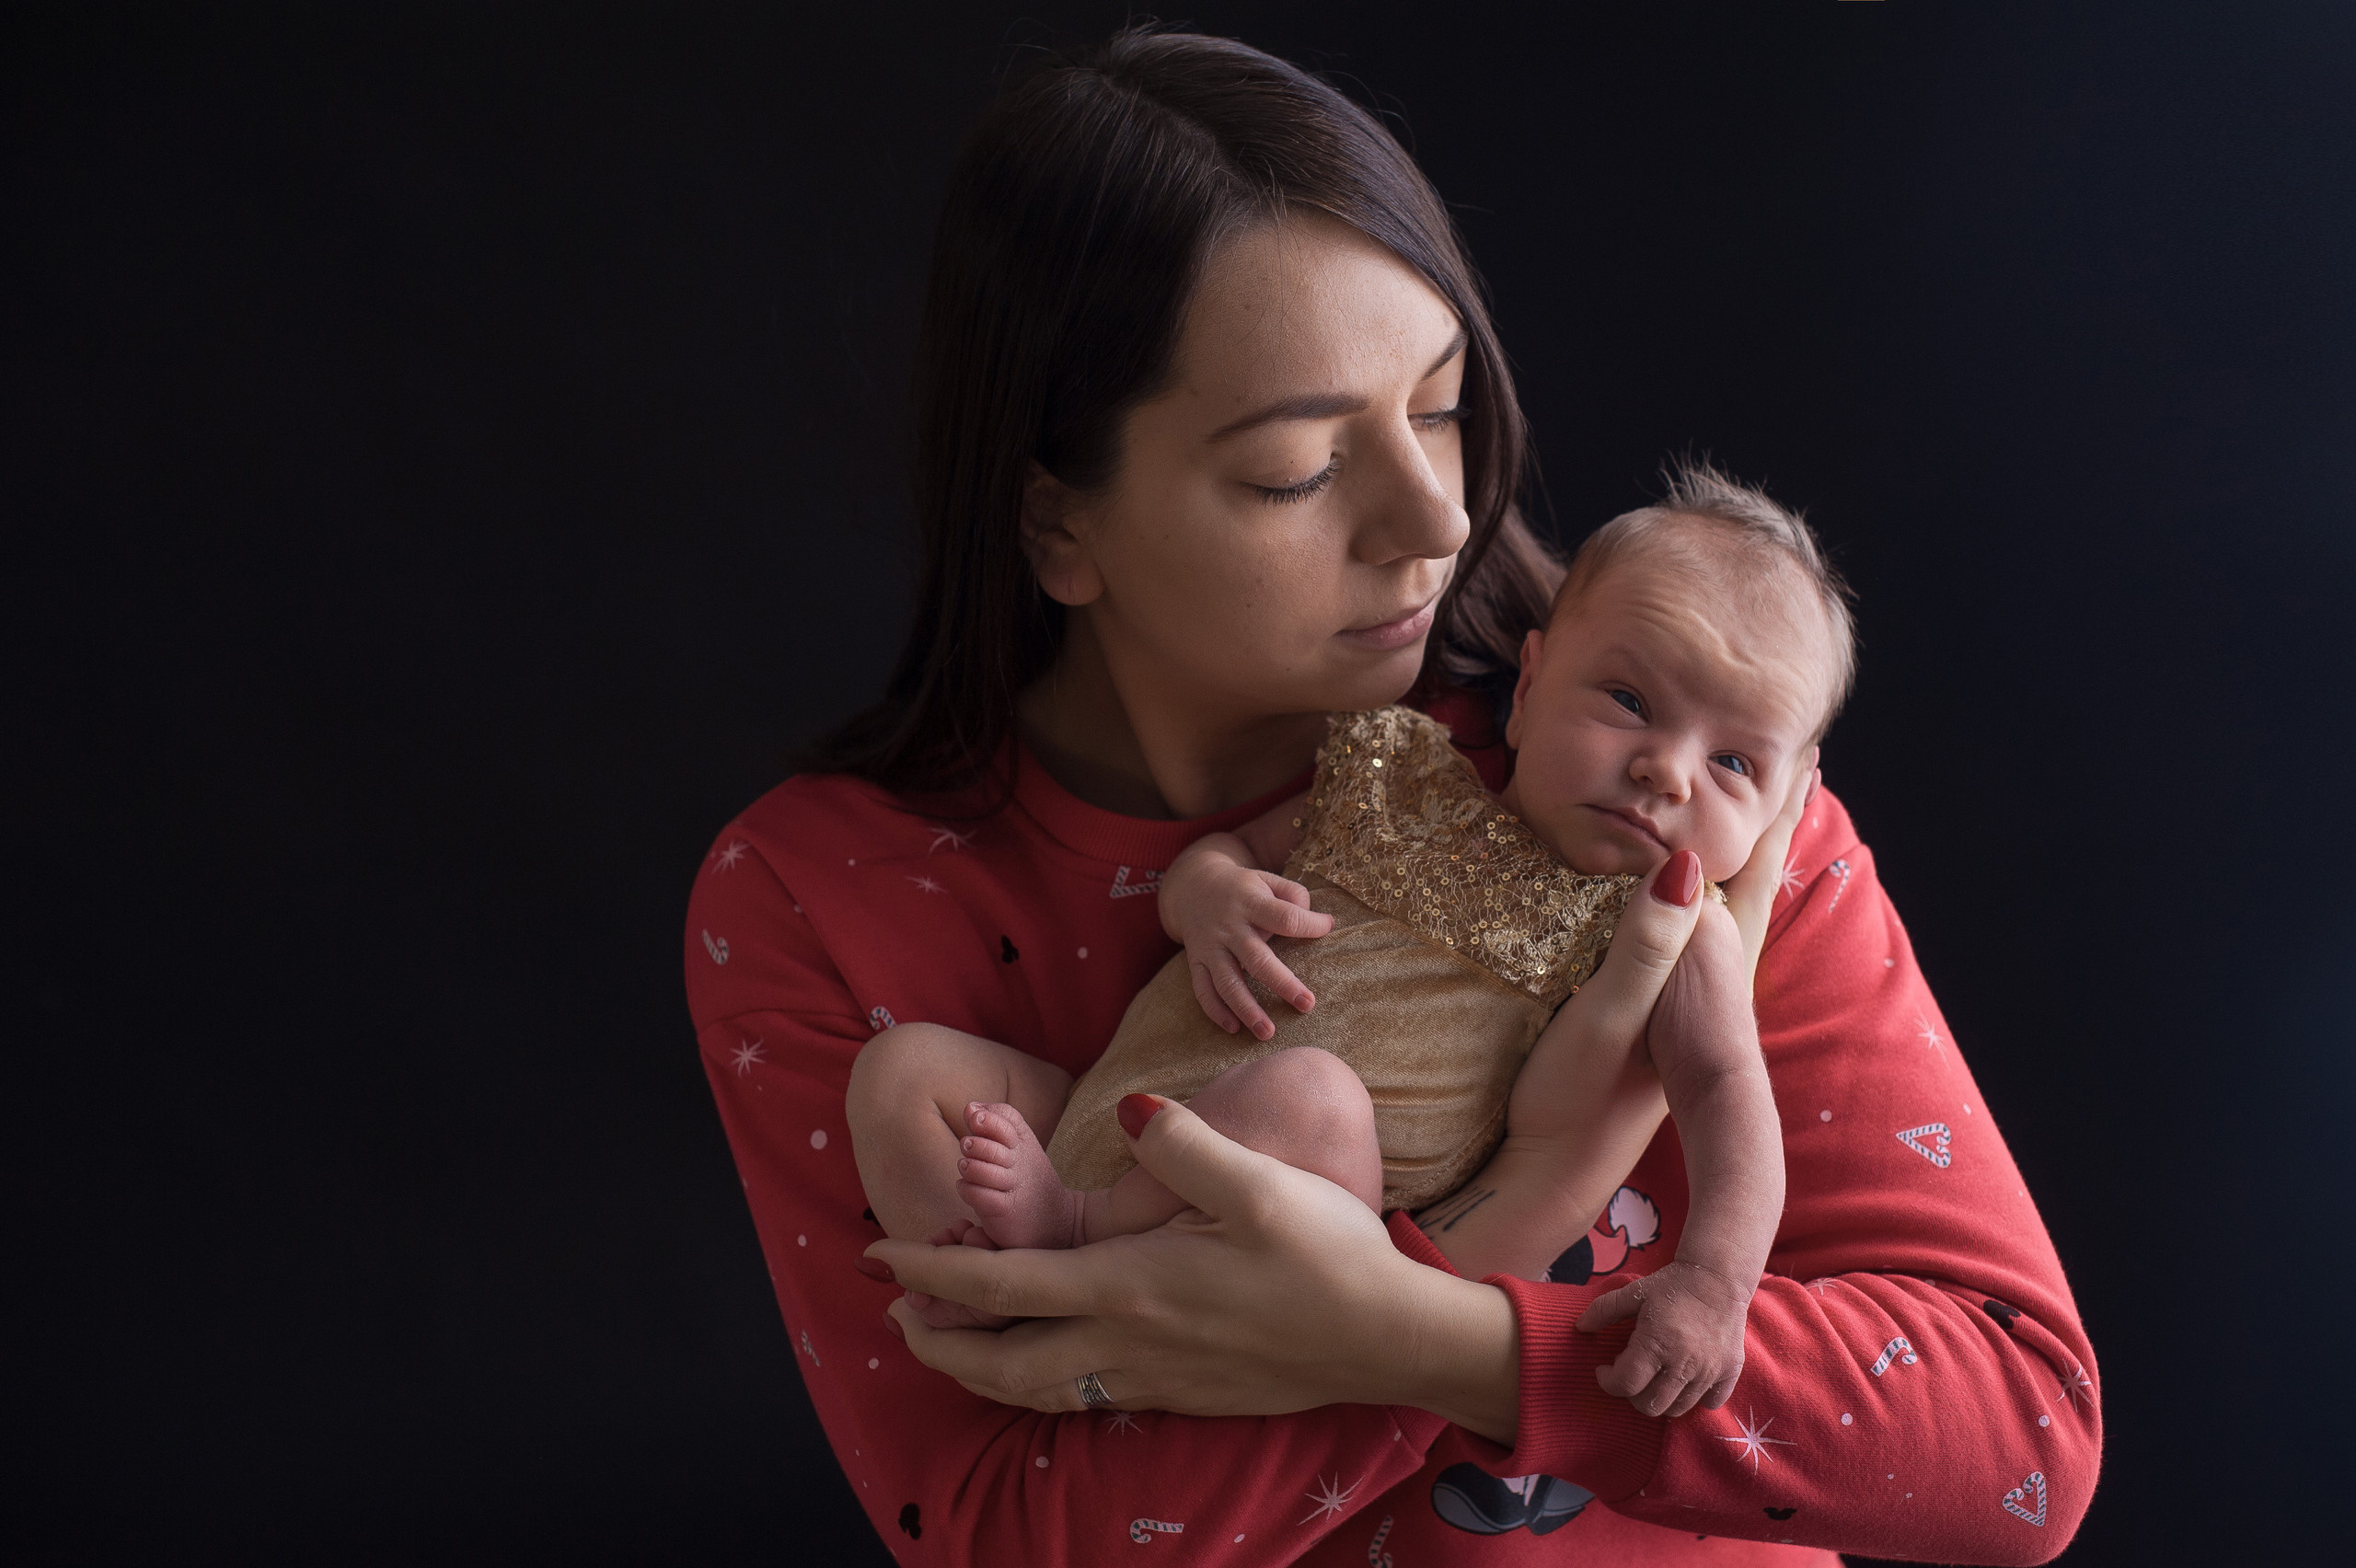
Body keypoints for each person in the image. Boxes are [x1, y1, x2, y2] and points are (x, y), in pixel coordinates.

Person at [685, 25, 2099, 1565]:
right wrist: (1528, 1199)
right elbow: (1014, 1537)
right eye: (1298, 468)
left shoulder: (1669, 788)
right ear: (1056, 524)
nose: (1436, 518)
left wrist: (1441, 1335)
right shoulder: (820, 902)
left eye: (1439, 406)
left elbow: (2016, 1442)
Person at [850, 471, 1849, 1422]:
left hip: (1290, 1202)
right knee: (903, 1073)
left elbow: (1727, 1092)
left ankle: (1071, 1236)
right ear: (1531, 684)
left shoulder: (1669, 929)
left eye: (1732, 762)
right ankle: (984, 1287)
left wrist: (1715, 1282)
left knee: (1311, 1091)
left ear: (1781, 806)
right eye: (1628, 702)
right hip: (1115, 1102)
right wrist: (1206, 894)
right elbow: (1233, 853)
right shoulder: (1400, 774)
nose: (1666, 771)